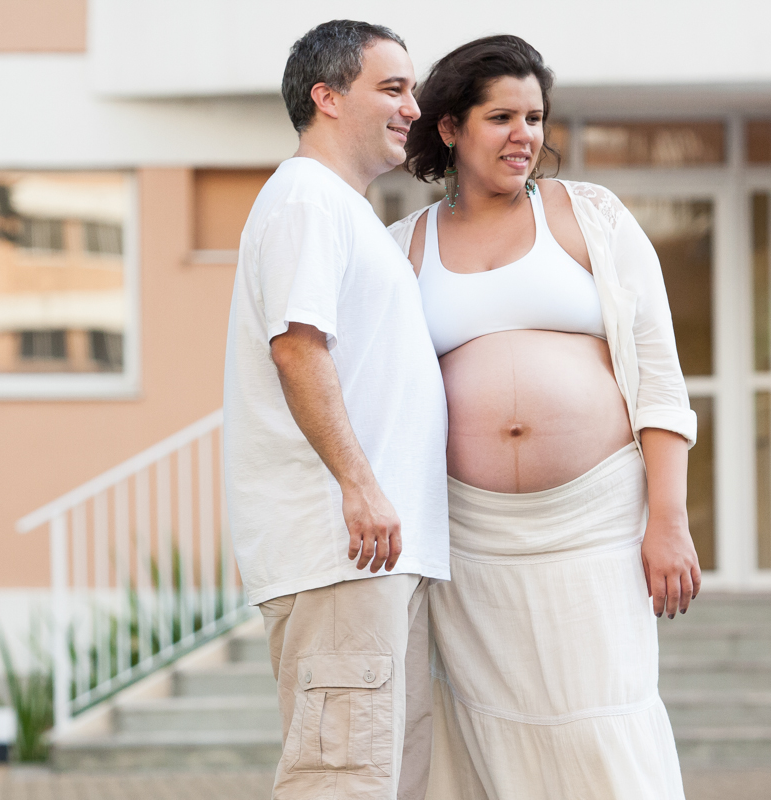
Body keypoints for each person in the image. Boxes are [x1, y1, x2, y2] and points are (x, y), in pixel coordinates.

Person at [388, 35, 699, 799]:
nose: (524, 134)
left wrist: (670, 518)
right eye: (501, 117)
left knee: (605, 718)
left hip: (595, 521)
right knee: (491, 725)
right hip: (473, 535)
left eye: (534, 116)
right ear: (452, 127)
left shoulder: (590, 216)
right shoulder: (404, 247)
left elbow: (657, 372)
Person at [223, 19, 449, 800]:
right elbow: (298, 349)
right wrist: (360, 483)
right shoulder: (305, 200)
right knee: (341, 779)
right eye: (391, 88)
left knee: (382, 775)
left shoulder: (347, 211)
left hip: (380, 555)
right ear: (327, 97)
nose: (413, 108)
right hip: (343, 550)